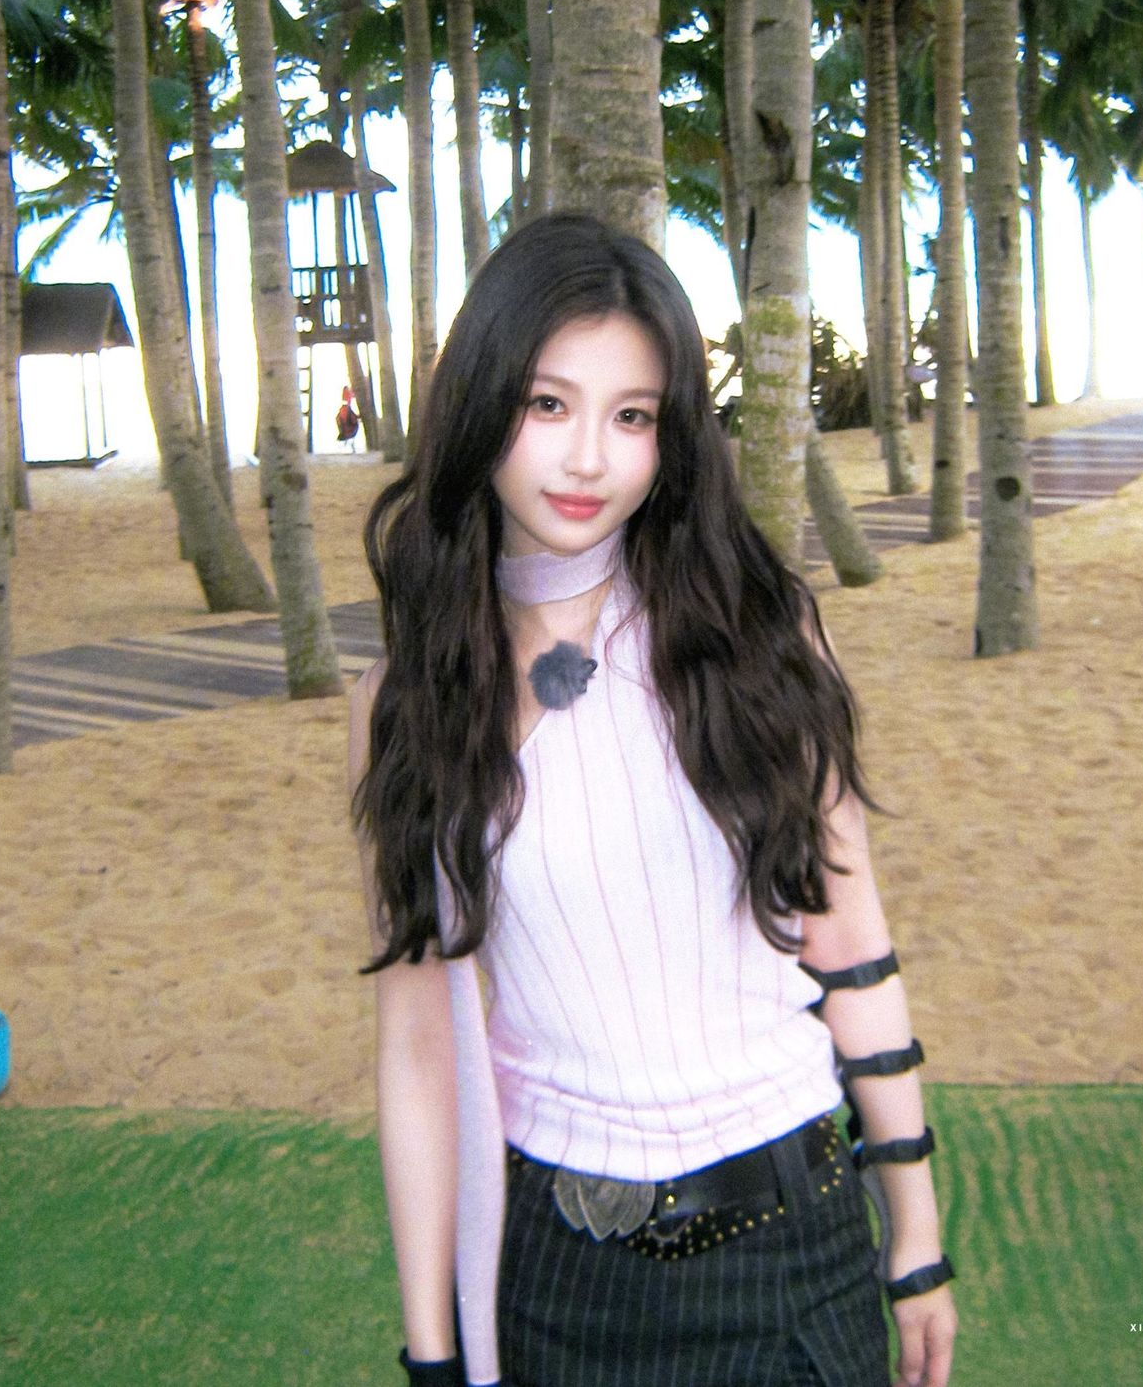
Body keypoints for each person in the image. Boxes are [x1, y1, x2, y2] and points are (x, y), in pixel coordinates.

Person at [349, 212, 957, 1387]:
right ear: (481, 403)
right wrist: (431, 1350)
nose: (589, 458)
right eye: (549, 404)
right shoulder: (410, 701)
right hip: (554, 1280)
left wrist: (917, 1235)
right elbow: (419, 1048)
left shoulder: (759, 634)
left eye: (632, 416)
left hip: (794, 1253)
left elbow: (851, 945)